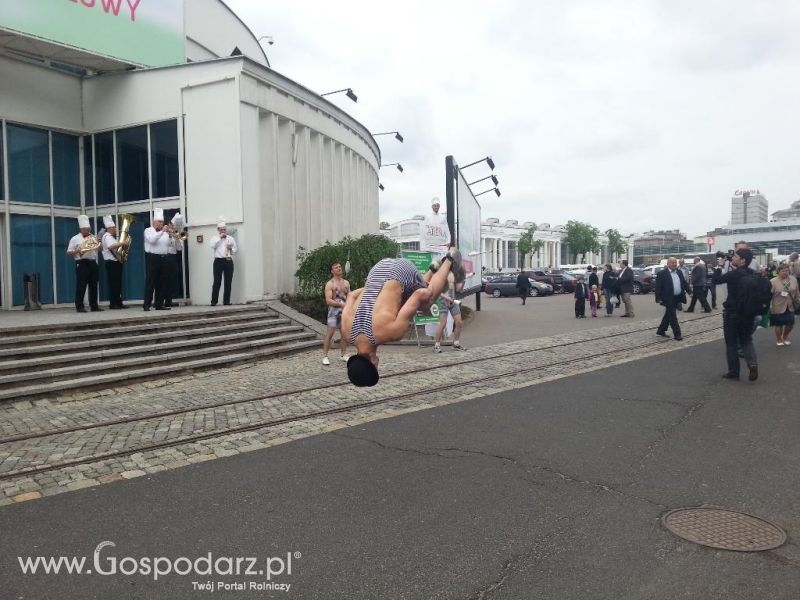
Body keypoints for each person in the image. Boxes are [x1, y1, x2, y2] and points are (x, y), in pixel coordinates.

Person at [342, 248, 462, 387]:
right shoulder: (346, 332)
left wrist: (429, 298)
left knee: (426, 302)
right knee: (402, 302)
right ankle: (433, 268)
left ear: (374, 362)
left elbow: (418, 295)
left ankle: (450, 259)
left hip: (401, 271)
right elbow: (351, 296)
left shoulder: (390, 333)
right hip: (377, 271)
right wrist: (375, 288)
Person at [713, 248, 759, 381]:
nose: (733, 258)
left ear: (743, 260)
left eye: (736, 256)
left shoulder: (734, 275)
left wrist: (719, 266)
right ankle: (752, 364)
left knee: (731, 343)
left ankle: (734, 371)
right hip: (748, 314)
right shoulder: (753, 273)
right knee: (746, 340)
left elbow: (716, 280)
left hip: (732, 313)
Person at [66, 214, 102, 313]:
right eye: (86, 229)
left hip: (92, 262)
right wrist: (78, 251)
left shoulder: (93, 237)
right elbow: (68, 252)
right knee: (81, 285)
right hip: (81, 262)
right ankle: (79, 306)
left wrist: (99, 242)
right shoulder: (75, 238)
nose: (88, 231)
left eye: (88, 229)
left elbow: (100, 249)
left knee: (94, 285)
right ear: (81, 229)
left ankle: (94, 305)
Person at [143, 208, 172, 311]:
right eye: (159, 221)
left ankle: (159, 304)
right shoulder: (148, 230)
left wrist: (170, 236)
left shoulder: (165, 233)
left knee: (162, 282)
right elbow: (152, 240)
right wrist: (162, 232)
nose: (161, 223)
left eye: (162, 222)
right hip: (153, 258)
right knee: (151, 282)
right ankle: (146, 305)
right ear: (154, 222)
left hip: (164, 258)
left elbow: (168, 245)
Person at [322, 262, 350, 365]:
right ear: (332, 271)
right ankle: (325, 356)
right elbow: (328, 300)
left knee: (344, 335)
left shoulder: (346, 283)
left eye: (339, 267)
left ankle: (343, 354)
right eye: (336, 267)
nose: (339, 268)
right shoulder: (330, 284)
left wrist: (349, 305)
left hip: (345, 312)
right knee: (330, 334)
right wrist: (341, 304)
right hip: (333, 312)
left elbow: (349, 296)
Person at [654, 257, 689, 340]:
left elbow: (683, 283)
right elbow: (658, 287)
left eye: (675, 263)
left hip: (677, 297)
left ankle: (660, 331)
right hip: (668, 298)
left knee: (668, 315)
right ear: (668, 264)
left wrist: (690, 291)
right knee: (673, 316)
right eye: (672, 263)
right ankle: (677, 334)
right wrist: (658, 298)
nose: (674, 264)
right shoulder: (662, 273)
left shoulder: (679, 272)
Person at [434, 265, 466, 352]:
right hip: (443, 302)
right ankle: (436, 345)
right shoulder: (441, 274)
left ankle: (456, 344)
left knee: (459, 322)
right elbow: (437, 291)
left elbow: (459, 289)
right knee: (443, 324)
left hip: (453, 301)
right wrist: (447, 298)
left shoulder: (454, 274)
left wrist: (463, 281)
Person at [100, 215, 129, 309]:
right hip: (111, 262)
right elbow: (111, 246)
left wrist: (123, 246)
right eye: (114, 227)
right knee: (114, 284)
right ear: (109, 228)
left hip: (115, 262)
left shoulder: (111, 237)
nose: (116, 229)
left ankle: (118, 302)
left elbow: (116, 247)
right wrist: (122, 243)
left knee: (118, 283)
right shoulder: (107, 236)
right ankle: (113, 303)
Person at [770, 263, 799, 346]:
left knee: (790, 324)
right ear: (778, 271)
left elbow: (797, 291)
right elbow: (769, 295)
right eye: (783, 271)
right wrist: (769, 306)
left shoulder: (793, 279)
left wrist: (798, 299)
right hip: (778, 305)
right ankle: (779, 339)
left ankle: (785, 337)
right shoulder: (773, 281)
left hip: (790, 305)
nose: (785, 272)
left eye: (787, 270)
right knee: (779, 324)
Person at [210, 219, 238, 306]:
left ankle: (226, 301)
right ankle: (214, 301)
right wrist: (220, 238)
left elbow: (235, 250)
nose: (223, 231)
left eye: (224, 229)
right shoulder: (214, 238)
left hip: (228, 260)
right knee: (217, 281)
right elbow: (212, 245)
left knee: (228, 281)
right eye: (221, 229)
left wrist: (231, 248)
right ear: (218, 230)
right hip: (218, 261)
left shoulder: (231, 238)